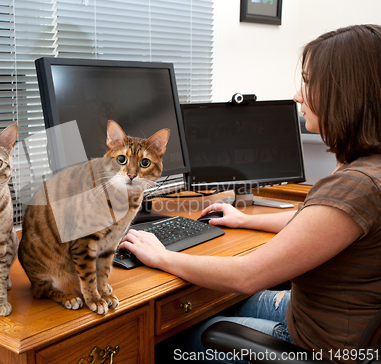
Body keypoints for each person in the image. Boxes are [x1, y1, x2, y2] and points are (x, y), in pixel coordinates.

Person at [119, 24, 381, 364]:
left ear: (344, 93)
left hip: (322, 345)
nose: (298, 96)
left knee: (174, 340)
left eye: (307, 82)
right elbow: (320, 220)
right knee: (214, 306)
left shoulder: (357, 183)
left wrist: (161, 256)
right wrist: (244, 219)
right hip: (335, 322)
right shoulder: (369, 168)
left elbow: (247, 276)